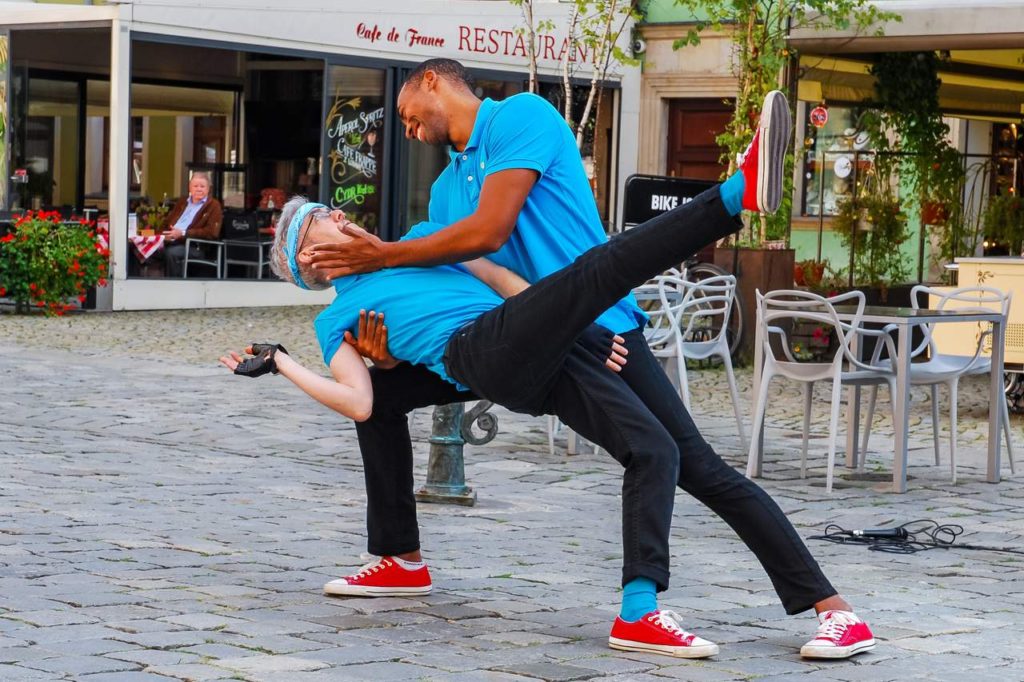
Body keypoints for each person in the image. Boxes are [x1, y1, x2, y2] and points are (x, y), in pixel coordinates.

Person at [222, 93, 875, 661]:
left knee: (667, 453)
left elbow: (503, 273)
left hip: (568, 332)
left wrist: (588, 334)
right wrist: (299, 360)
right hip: (494, 347)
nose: (340, 218)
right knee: (588, 281)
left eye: (333, 213)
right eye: (322, 228)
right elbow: (364, 397)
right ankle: (733, 195)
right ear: (313, 265)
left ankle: (734, 609)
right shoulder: (357, 295)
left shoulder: (506, 138)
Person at [162, 172, 223, 277]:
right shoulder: (182, 202)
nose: (199, 189)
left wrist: (183, 233)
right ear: (190, 188)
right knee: (136, 248)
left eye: (202, 186)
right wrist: (163, 234)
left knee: (171, 253)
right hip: (171, 240)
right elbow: (167, 223)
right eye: (195, 186)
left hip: (195, 246)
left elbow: (212, 232)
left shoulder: (214, 205)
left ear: (208, 189)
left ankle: (174, 287)